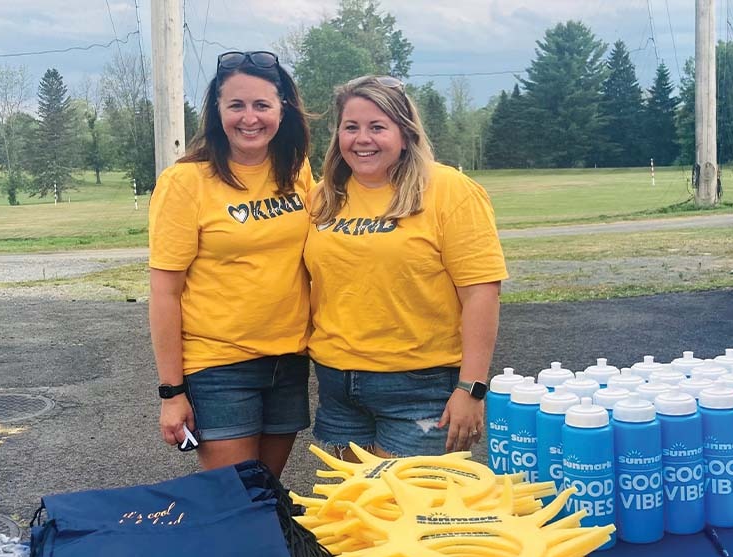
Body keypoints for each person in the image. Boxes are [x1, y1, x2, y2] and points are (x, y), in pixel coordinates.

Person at [304, 75, 508, 459]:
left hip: (420, 385)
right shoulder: (323, 197)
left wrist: (472, 388)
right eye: (351, 127)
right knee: (351, 511)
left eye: (377, 127)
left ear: (405, 132)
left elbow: (482, 292)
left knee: (407, 511)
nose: (362, 139)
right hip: (338, 384)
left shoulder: (449, 190)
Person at [148, 51, 313, 476]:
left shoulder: (297, 171)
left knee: (265, 493)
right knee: (232, 503)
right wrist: (172, 392)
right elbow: (165, 293)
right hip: (219, 366)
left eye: (262, 105)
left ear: (283, 109)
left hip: (288, 360)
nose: (249, 118)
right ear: (217, 111)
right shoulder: (185, 181)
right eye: (235, 105)